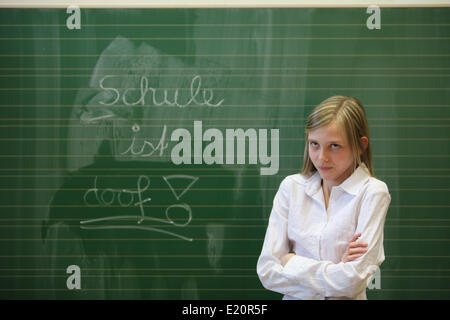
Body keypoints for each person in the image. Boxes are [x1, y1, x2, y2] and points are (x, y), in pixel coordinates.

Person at [257, 96, 391, 300]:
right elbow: (267, 271)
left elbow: (352, 282)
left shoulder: (372, 193)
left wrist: (291, 263)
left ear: (360, 146)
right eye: (314, 144)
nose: (322, 157)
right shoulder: (291, 187)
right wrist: (336, 271)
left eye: (334, 146)